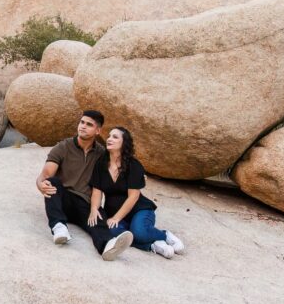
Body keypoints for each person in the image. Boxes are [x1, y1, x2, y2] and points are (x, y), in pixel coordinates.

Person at [36, 110, 133, 260]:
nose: (83, 127)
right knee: (52, 182)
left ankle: (107, 247)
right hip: (64, 201)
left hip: (85, 204)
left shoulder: (101, 154)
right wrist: (39, 184)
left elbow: (120, 164)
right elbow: (46, 174)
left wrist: (137, 174)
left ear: (98, 130)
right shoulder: (63, 147)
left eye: (89, 124)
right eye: (82, 122)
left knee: (98, 216)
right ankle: (59, 227)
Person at [88, 126, 185, 259]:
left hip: (140, 209)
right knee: (113, 232)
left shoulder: (133, 165)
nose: (109, 139)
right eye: (109, 136)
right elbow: (97, 191)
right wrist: (94, 208)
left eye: (115, 137)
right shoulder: (101, 163)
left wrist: (116, 218)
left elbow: (133, 197)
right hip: (115, 212)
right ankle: (152, 245)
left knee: (138, 232)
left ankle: (164, 235)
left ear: (124, 143)